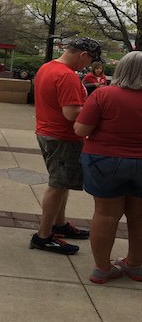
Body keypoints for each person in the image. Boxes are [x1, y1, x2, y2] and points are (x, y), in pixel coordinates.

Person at [73, 51, 142, 283]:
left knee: (105, 214)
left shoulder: (103, 94)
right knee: (139, 216)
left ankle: (103, 268)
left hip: (104, 161)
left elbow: (81, 130)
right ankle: (135, 264)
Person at [30, 37, 102, 255]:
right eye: (90, 60)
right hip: (62, 137)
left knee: (63, 183)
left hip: (47, 132)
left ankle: (59, 224)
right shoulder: (67, 76)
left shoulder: (47, 67)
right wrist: (98, 111)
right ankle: (43, 236)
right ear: (83, 55)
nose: (88, 65)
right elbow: (71, 113)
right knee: (57, 185)